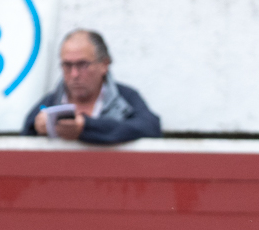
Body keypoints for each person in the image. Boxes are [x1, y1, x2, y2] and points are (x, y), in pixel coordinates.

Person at [21, 29, 161, 144]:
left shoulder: (125, 97)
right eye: (67, 65)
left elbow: (151, 127)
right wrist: (37, 126)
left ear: (104, 65)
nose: (74, 74)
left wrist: (86, 127)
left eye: (83, 65)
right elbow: (24, 137)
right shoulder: (50, 101)